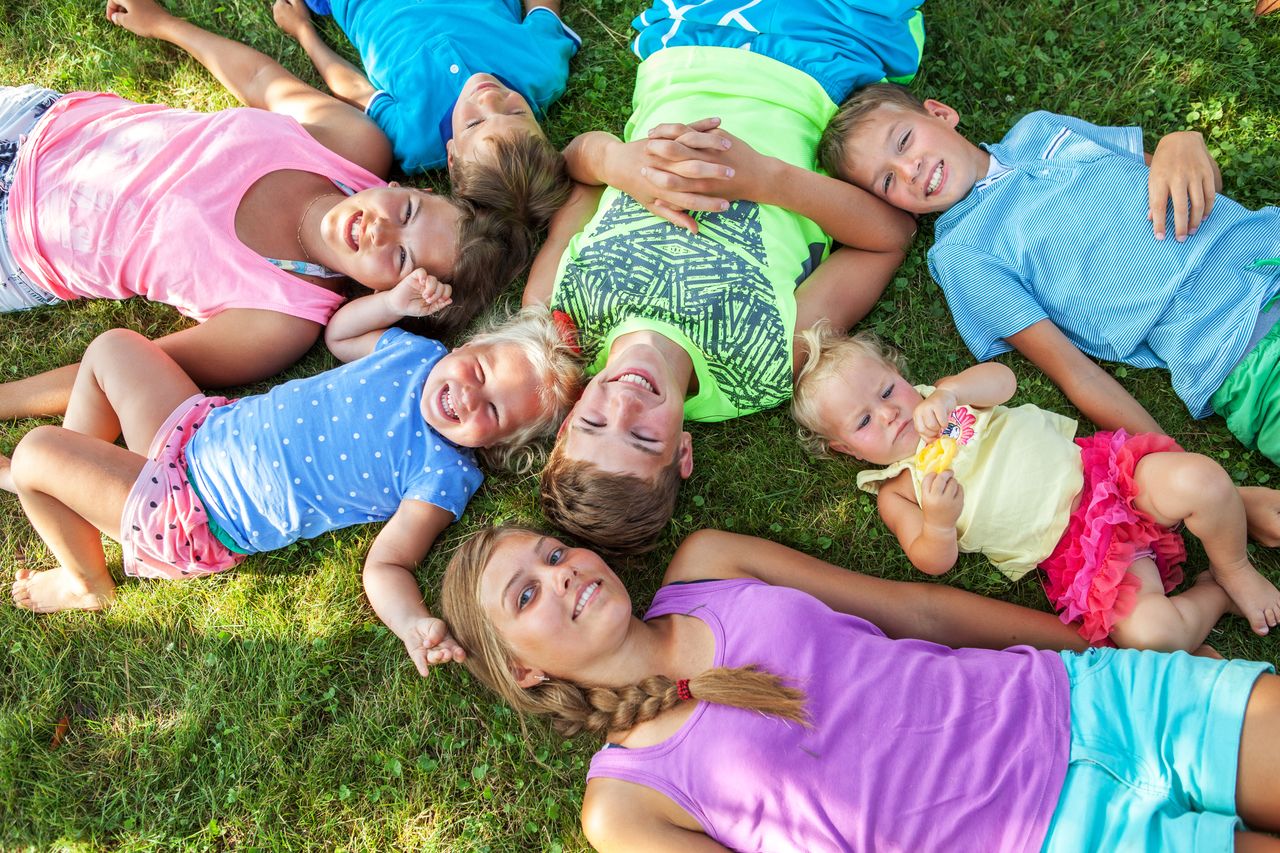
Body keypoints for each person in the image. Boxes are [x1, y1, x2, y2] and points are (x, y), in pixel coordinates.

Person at [440, 525, 1280, 851]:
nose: (562, 576)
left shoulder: (709, 566)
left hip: (1088, 698)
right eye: (526, 595)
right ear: (523, 666)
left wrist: (1104, 648)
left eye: (551, 555)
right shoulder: (623, 807)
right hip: (1049, 841)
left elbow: (918, 609)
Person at [5, 278, 580, 674]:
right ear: (469, 345)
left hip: (195, 514)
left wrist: (413, 623)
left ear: (502, 445)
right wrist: (393, 300)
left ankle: (86, 579)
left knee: (35, 453)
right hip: (199, 429)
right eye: (477, 371)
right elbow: (341, 336)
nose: (467, 398)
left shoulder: (444, 471)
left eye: (495, 414)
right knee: (112, 349)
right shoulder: (417, 356)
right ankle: (79, 484)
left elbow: (388, 563)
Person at [0, 0, 529, 425]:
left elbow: (121, 369)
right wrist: (166, 24)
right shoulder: (355, 147)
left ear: (381, 294)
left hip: (17, 244)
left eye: (399, 256)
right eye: (408, 210)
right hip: (42, 122)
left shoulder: (279, 320)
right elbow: (259, 81)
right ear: (400, 185)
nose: (379, 228)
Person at [527, 0, 924, 554]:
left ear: (567, 420)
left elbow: (576, 166)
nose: (625, 405)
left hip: (682, 42)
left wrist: (618, 165)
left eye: (593, 424)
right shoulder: (761, 364)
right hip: (811, 62)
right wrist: (766, 179)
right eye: (643, 438)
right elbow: (888, 237)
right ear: (682, 452)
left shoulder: (557, 320)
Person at [819, 83, 1280, 468]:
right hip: (1242, 348)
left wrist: (1179, 142)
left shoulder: (1039, 129)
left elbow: (1193, 185)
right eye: (887, 181)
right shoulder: (963, 254)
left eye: (903, 142)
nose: (909, 169)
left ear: (940, 114)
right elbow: (1074, 373)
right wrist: (1189, 472)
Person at [789, 325, 1280, 644]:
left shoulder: (943, 400)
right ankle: (1213, 592)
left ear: (899, 374)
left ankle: (1233, 566)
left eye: (886, 390)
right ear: (846, 451)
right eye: (864, 421)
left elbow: (1003, 381)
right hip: (1078, 552)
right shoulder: (898, 489)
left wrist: (953, 390)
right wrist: (939, 523)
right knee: (1154, 636)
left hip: (1105, 476)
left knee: (1202, 478)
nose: (891, 412)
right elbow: (929, 560)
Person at [271, 0, 576, 228]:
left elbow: (353, 87)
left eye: (474, 123)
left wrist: (302, 30)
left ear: (452, 155)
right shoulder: (541, 68)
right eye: (516, 112)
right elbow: (543, 14)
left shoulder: (413, 139)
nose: (489, 98)